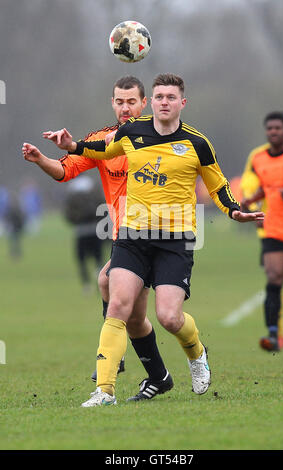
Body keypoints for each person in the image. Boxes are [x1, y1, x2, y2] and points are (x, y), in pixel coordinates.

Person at [39, 73, 264, 407]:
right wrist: (70, 146)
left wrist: (234, 212)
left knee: (169, 318)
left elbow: (218, 185)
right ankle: (105, 390)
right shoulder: (131, 132)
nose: (163, 102)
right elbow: (100, 149)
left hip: (174, 240)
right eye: (159, 96)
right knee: (117, 302)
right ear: (152, 102)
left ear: (181, 103)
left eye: (170, 97)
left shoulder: (196, 143)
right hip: (132, 236)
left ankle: (196, 354)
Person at [22, 76, 174, 401]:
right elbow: (65, 170)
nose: (125, 107)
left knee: (119, 294)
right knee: (128, 311)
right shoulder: (103, 141)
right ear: (112, 103)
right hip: (125, 238)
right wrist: (40, 160)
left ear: (144, 103)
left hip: (157, 238)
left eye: (131, 101)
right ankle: (158, 376)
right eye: (119, 101)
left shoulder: (161, 139)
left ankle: (119, 366)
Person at [241, 111, 283, 350]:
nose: (273, 132)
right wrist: (251, 202)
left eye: (278, 128)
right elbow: (266, 188)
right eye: (270, 128)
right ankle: (273, 335)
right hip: (274, 227)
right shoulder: (259, 158)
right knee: (274, 278)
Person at [64, 174, 106, 293]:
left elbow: (68, 215)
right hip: (95, 229)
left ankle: (86, 285)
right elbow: (103, 206)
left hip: (80, 231)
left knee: (81, 260)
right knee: (99, 258)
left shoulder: (72, 191)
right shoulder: (93, 188)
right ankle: (100, 284)